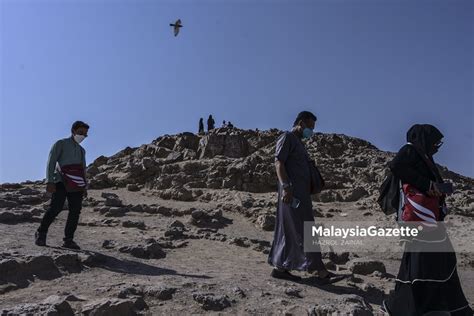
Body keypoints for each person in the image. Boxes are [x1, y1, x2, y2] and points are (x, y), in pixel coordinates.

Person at [383, 124, 472, 315]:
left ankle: (443, 306)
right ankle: (412, 307)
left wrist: (438, 187)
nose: (437, 146)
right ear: (423, 139)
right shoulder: (410, 150)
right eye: (434, 142)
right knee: (422, 261)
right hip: (419, 218)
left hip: (429, 218)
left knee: (436, 259)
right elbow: (396, 166)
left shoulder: (425, 157)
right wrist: (427, 184)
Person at [268, 111, 345, 284]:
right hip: (291, 195)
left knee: (291, 230)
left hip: (300, 195)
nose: (311, 131)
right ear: (301, 123)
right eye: (310, 127)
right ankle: (320, 272)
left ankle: (280, 268)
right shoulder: (287, 137)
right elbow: (278, 162)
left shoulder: (299, 143)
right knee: (307, 230)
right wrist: (286, 187)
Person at [35, 121, 90, 250]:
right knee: (56, 207)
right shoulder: (61, 143)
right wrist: (50, 181)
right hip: (60, 181)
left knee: (75, 211)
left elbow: (82, 169)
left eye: (85, 135)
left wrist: (84, 186)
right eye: (81, 132)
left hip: (77, 184)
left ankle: (68, 240)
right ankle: (41, 233)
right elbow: (51, 161)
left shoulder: (82, 150)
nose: (82, 136)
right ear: (73, 131)